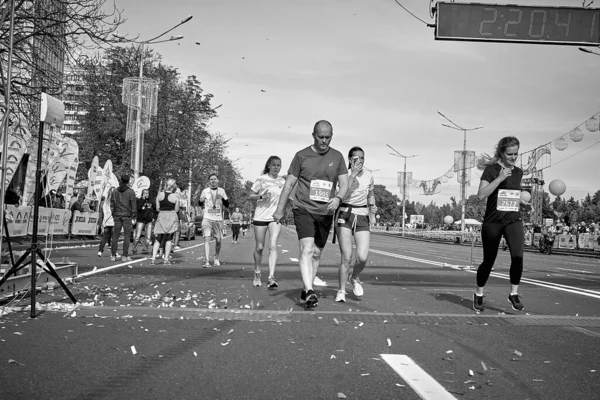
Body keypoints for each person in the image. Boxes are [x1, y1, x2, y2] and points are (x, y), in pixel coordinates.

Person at [273, 120, 349, 308]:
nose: (324, 141)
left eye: (328, 137)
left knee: (316, 253)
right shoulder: (301, 156)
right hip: (303, 208)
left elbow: (345, 184)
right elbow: (289, 184)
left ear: (332, 135)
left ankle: (306, 289)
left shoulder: (337, 157)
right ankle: (310, 290)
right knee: (306, 249)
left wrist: (338, 198)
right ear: (313, 135)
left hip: (325, 212)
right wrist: (280, 209)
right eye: (320, 137)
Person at [473, 136, 527, 312]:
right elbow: (481, 195)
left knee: (518, 257)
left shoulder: (519, 172)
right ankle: (479, 294)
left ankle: (513, 293)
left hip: (513, 220)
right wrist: (499, 178)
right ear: (502, 153)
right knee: (489, 261)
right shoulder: (491, 170)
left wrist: (522, 201)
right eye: (510, 154)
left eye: (516, 154)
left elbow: (510, 194)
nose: (513, 157)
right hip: (493, 222)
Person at [334, 147, 377, 302]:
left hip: (362, 215)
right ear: (350, 159)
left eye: (362, 158)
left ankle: (355, 277)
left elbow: (371, 194)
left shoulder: (369, 175)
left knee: (362, 257)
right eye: (356, 158)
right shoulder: (343, 174)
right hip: (345, 213)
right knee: (347, 256)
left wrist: (372, 207)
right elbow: (341, 194)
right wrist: (352, 174)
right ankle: (341, 290)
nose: (360, 161)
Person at [249, 155, 286, 288]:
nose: (276, 167)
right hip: (260, 216)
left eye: (278, 165)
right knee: (259, 247)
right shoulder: (261, 179)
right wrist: (261, 196)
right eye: (274, 165)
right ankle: (257, 272)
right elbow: (250, 195)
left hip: (274, 217)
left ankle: (271, 277)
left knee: (273, 245)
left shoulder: (282, 181)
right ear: (269, 165)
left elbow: (287, 196)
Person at [199, 174, 230, 268]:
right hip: (207, 218)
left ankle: (216, 257)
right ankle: (207, 261)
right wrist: (200, 201)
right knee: (207, 238)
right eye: (211, 179)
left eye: (215, 179)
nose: (213, 181)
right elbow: (200, 203)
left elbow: (227, 205)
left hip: (218, 218)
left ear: (218, 181)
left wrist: (223, 199)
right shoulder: (205, 191)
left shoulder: (221, 191)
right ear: (209, 181)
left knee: (218, 240)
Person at [151, 179, 180, 265]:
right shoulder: (175, 196)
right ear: (174, 186)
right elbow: (177, 209)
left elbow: (157, 208)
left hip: (161, 216)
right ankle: (166, 259)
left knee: (158, 238)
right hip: (171, 217)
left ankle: (153, 258)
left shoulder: (159, 195)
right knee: (168, 238)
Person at [110, 174, 137, 262]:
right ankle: (124, 256)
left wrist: (113, 213)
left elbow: (112, 204)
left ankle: (113, 255)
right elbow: (133, 206)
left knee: (115, 236)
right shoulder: (130, 192)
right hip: (127, 215)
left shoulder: (115, 191)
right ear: (128, 181)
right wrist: (134, 216)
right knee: (126, 236)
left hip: (117, 214)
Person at [132, 189, 154, 255]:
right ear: (142, 194)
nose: (147, 194)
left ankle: (145, 249)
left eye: (147, 193)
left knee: (148, 236)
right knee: (138, 235)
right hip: (141, 220)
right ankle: (134, 249)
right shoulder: (139, 200)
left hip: (149, 220)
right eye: (145, 193)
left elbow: (154, 208)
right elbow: (138, 208)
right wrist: (143, 199)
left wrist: (153, 216)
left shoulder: (150, 200)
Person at [98, 188, 115, 257]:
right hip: (113, 221)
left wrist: (103, 222)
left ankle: (100, 251)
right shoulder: (115, 202)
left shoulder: (105, 203)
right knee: (114, 238)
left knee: (105, 237)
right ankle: (113, 253)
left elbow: (103, 213)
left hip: (107, 221)